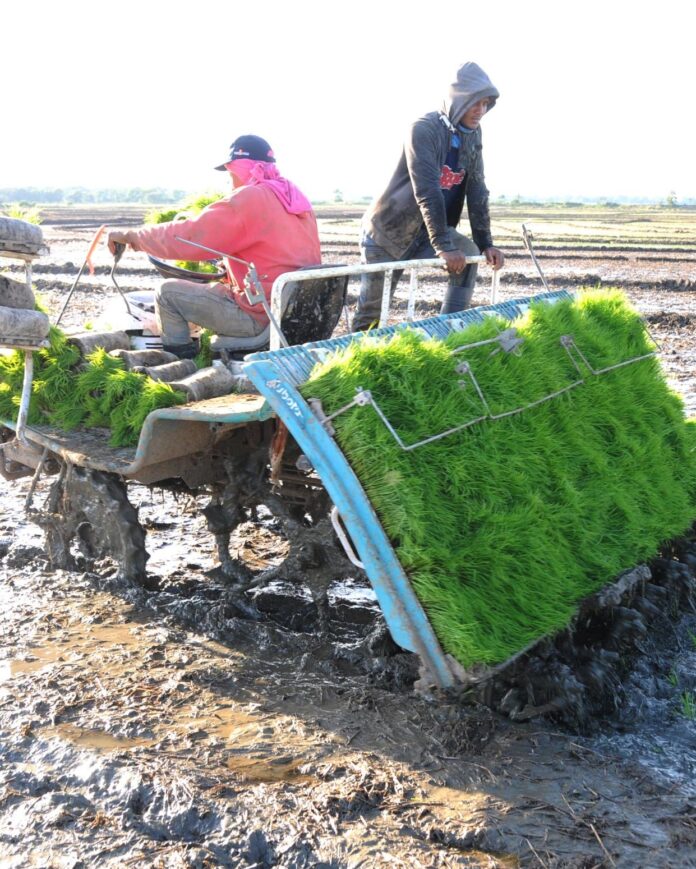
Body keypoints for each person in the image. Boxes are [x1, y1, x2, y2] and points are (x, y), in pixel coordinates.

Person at [107, 135, 321, 357]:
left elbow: (188, 234)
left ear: (240, 169)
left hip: (260, 316)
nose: (230, 182)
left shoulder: (250, 198)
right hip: (296, 312)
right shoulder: (292, 197)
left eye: (230, 175)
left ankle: (181, 366)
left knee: (167, 293)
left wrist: (133, 236)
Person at [352, 62, 505, 332]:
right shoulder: (423, 130)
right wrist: (444, 246)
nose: (480, 111)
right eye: (474, 103)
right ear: (458, 100)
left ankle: (447, 335)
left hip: (426, 231)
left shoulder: (472, 135)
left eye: (485, 104)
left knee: (468, 257)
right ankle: (354, 362)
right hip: (390, 232)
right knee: (373, 312)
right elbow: (427, 189)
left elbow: (477, 188)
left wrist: (486, 244)